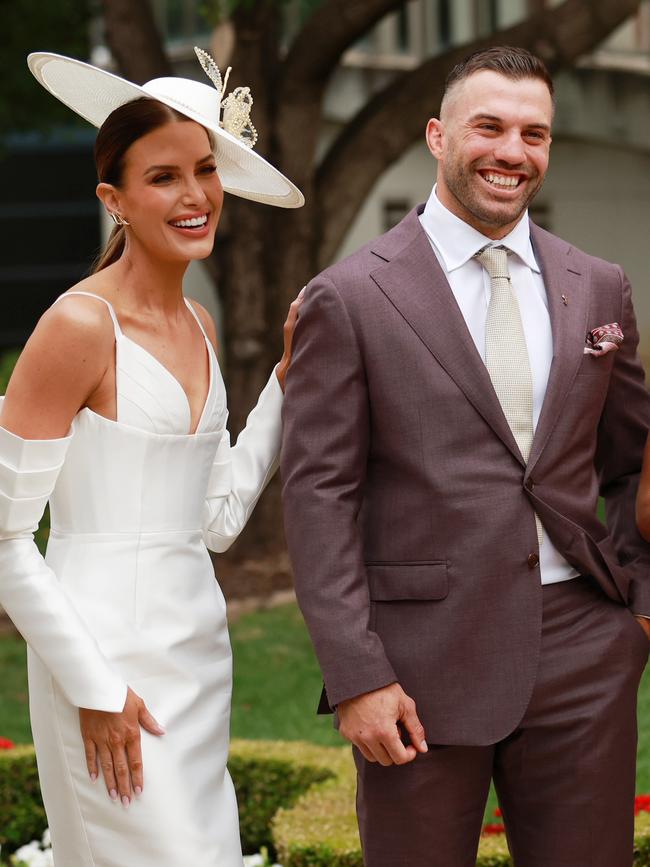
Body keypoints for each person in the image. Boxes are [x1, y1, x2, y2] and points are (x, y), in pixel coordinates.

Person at [282, 46, 650, 867]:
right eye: (489, 127)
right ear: (437, 135)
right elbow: (319, 498)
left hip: (584, 649)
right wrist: (356, 674)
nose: (511, 152)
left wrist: (636, 607)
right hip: (418, 667)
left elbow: (631, 459)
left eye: (534, 134)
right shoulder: (349, 296)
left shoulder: (598, 285)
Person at [0, 48, 303, 867]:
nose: (196, 194)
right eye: (164, 176)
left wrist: (284, 383)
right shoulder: (76, 327)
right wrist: (93, 690)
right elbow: (4, 544)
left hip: (198, 657)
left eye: (206, 170)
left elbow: (217, 520)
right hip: (102, 661)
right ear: (115, 199)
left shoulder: (201, 326)